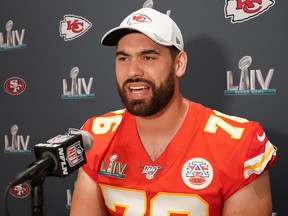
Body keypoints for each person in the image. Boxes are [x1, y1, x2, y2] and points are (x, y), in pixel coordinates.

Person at [70, 3, 277, 216]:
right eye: (123, 58)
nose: (132, 71)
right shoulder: (95, 136)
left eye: (148, 57)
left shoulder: (239, 143)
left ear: (179, 64)